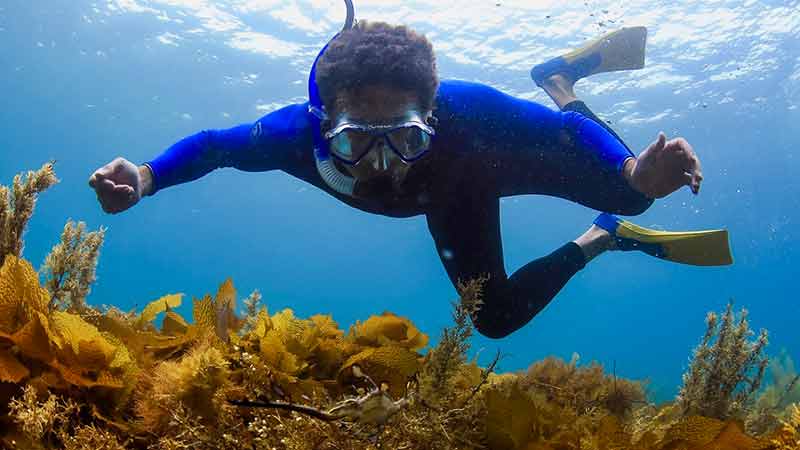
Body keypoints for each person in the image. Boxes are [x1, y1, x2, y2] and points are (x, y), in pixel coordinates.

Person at [89, 8, 725, 339]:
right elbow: (210, 147)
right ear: (322, 124)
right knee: (494, 318)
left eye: (405, 137)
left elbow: (565, 135)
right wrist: (144, 177)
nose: (384, 164)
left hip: (472, 173)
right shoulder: (290, 134)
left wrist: (630, 165)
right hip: (443, 187)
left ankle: (558, 79)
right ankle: (601, 237)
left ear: (433, 116)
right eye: (358, 142)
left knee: (636, 195)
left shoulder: (469, 112)